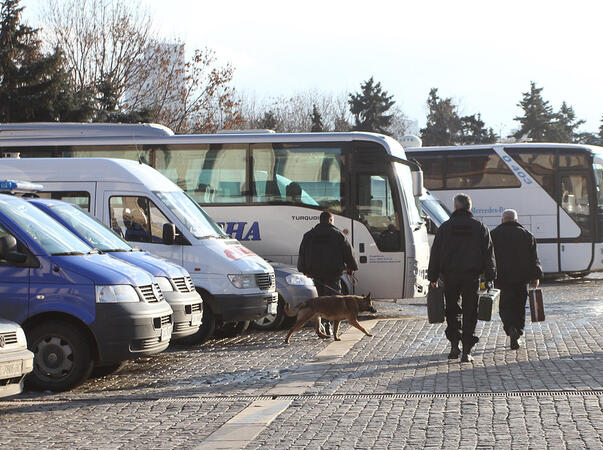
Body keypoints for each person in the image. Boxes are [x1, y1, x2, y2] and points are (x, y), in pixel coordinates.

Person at [427, 193, 496, 362]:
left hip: (449, 276)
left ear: (455, 207)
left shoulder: (445, 227)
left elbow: (435, 253)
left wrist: (433, 276)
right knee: (470, 312)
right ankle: (467, 351)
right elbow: (489, 254)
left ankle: (454, 345)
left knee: (452, 310)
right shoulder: (480, 227)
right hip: (471, 277)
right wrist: (490, 276)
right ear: (469, 207)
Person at [297, 211, 359, 335]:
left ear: (320, 220)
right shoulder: (338, 235)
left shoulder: (309, 235)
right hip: (333, 273)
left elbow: (302, 254)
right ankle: (328, 325)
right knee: (335, 301)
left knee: (320, 300)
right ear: (330, 220)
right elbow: (348, 253)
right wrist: (352, 268)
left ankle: (320, 326)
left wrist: (304, 270)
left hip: (316, 274)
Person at [491, 209, 543, 350]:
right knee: (519, 307)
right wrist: (536, 276)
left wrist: (488, 275)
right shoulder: (527, 235)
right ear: (516, 220)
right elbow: (534, 258)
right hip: (521, 279)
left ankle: (510, 328)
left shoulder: (493, 235)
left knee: (504, 306)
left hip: (501, 278)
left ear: (502, 220)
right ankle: (518, 332)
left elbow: (489, 258)